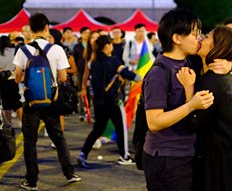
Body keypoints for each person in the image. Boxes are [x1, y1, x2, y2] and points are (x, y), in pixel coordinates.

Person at [142, 8, 224, 191]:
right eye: (195, 34)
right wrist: (191, 106)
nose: (199, 38)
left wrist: (229, 64)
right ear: (177, 38)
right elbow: (154, 122)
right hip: (166, 157)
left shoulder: (188, 61)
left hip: (187, 153)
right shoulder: (158, 73)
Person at [178, 26, 232, 191]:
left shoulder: (213, 80)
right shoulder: (209, 71)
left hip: (224, 161)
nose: (200, 39)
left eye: (206, 37)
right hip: (226, 155)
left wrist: (188, 89)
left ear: (216, 47)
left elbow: (194, 122)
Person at [13, 13, 81, 190]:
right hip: (52, 102)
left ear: (30, 28)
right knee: (58, 138)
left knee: (30, 142)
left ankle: (32, 181)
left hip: (30, 103)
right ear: (46, 28)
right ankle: (69, 172)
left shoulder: (22, 50)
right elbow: (63, 77)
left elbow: (18, 78)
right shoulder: (57, 49)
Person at [77, 35, 140, 168]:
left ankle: (83, 153)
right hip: (113, 101)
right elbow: (125, 73)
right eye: (110, 44)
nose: (112, 46)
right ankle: (124, 156)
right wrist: (141, 78)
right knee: (120, 127)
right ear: (107, 46)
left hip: (99, 102)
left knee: (98, 129)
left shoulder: (93, 62)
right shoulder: (112, 60)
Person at [0, 36, 23, 124]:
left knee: (6, 105)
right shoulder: (14, 51)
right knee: (17, 103)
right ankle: (23, 123)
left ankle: (8, 125)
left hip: (2, 81)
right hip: (14, 79)